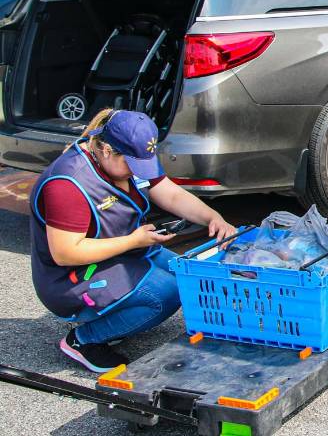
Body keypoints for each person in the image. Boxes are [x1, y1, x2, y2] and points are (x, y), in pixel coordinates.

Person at [28, 109, 236, 372]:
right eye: (132, 164)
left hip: (123, 250)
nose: (138, 171)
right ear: (105, 150)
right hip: (70, 277)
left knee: (187, 276)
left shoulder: (130, 156)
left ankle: (121, 313)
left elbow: (167, 193)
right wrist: (132, 241)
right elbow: (66, 253)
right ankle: (83, 341)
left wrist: (213, 217)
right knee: (166, 294)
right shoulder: (67, 184)